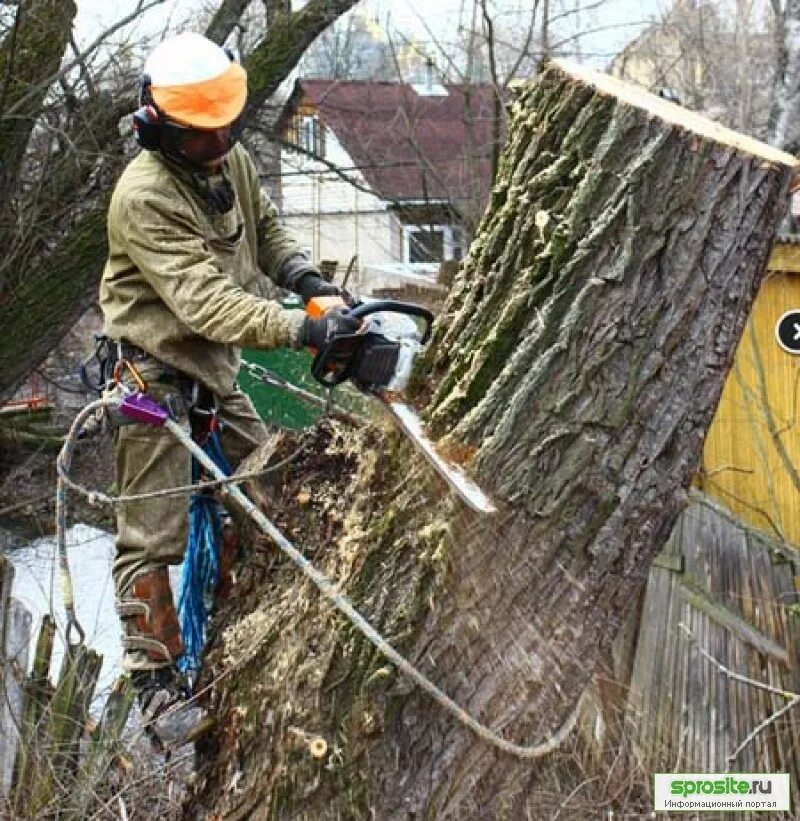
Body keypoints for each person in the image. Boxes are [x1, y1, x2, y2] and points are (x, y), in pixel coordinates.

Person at [99, 31, 360, 748]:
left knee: (272, 476)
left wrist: (310, 285)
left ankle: (248, 615)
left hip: (213, 370)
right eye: (204, 135)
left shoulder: (224, 154)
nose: (220, 145)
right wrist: (301, 331)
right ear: (165, 128)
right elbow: (207, 303)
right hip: (152, 374)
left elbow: (267, 233)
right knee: (154, 531)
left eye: (225, 131)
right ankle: (154, 688)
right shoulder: (144, 196)